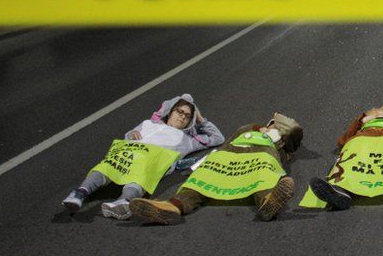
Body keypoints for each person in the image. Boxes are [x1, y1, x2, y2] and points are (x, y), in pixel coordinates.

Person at [61, 94, 223, 219]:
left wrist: (200, 118)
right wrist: (132, 134)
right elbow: (127, 137)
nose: (182, 116)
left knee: (145, 170)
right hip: (131, 152)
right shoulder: (148, 124)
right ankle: (79, 194)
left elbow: (217, 138)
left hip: (153, 161)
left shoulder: (188, 139)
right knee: (107, 165)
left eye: (187, 116)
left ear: (190, 121)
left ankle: (124, 201)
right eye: (179, 111)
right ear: (170, 111)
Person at [129, 113, 302, 224]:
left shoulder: (281, 145)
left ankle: (268, 202)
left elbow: (294, 132)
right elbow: (228, 142)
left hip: (259, 157)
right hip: (228, 156)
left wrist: (276, 136)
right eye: (275, 125)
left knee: (263, 175)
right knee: (201, 179)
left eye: (280, 128)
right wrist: (258, 128)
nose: (276, 128)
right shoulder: (249, 128)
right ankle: (170, 207)